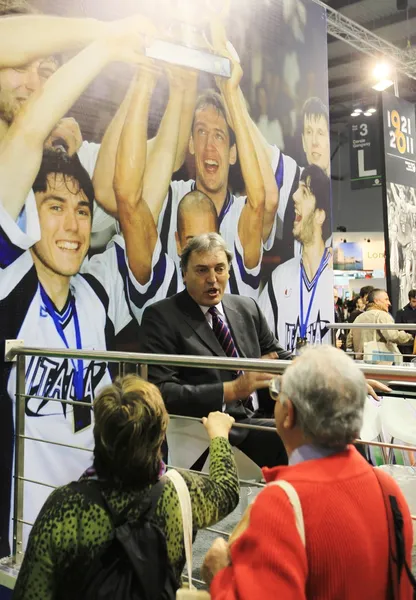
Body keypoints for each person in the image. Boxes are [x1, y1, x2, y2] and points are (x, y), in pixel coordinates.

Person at [0, 63, 162, 553]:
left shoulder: (96, 297)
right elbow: (25, 139)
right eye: (54, 207)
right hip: (24, 542)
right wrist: (106, 48)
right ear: (28, 217)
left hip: (93, 534)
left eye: (82, 210)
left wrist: (145, 80)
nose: (72, 225)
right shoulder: (9, 284)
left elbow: (138, 203)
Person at [201, 346, 414, 599]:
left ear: (288, 413)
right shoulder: (387, 489)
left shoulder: (282, 505)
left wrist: (220, 575)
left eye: (276, 392)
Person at [13, 375, 239, 599]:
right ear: (161, 435)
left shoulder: (63, 507)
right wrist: (219, 436)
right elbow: (227, 489)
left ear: (99, 433)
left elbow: (31, 592)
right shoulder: (181, 492)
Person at [139, 233, 292, 469]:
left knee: (333, 423)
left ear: (228, 270)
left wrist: (336, 376)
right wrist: (231, 390)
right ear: (184, 274)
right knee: (304, 435)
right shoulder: (161, 317)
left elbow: (280, 357)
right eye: (202, 270)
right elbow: (162, 392)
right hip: (218, 427)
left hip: (267, 412)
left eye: (219, 269)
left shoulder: (246, 307)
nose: (213, 279)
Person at [258, 165, 333, 353]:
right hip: (288, 381)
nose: (294, 196)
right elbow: (259, 338)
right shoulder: (279, 277)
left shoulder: (335, 278)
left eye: (304, 192)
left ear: (319, 215)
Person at [350, 289, 413, 360]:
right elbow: (393, 336)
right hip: (380, 362)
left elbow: (349, 342)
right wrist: (411, 337)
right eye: (386, 299)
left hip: (361, 362)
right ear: (376, 301)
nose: (389, 303)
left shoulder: (358, 318)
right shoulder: (382, 315)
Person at [395, 289, 416, 361]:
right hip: (407, 346)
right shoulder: (401, 312)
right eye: (414, 301)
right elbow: (398, 329)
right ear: (409, 300)